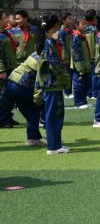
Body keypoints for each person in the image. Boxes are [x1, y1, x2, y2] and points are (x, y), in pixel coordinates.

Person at [36, 14, 71, 154]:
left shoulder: (46, 40)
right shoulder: (49, 42)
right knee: (54, 115)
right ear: (55, 25)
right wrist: (65, 78)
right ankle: (54, 146)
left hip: (50, 83)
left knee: (54, 115)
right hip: (53, 83)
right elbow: (55, 64)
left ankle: (55, 144)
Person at [6, 50, 44, 146]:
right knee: (35, 110)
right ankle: (35, 138)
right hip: (22, 85)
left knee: (30, 113)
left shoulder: (36, 53)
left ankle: (34, 137)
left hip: (11, 82)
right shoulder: (47, 55)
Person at [0, 11, 20, 128]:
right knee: (3, 95)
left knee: (9, 95)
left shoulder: (5, 33)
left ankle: (8, 117)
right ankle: (3, 119)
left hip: (11, 67)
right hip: (4, 69)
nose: (7, 19)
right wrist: (1, 70)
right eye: (5, 17)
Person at [70, 18, 91, 109]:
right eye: (82, 24)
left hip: (84, 64)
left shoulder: (81, 35)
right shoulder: (76, 36)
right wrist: (80, 68)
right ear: (77, 26)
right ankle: (78, 103)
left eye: (85, 24)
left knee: (83, 84)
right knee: (78, 84)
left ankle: (83, 101)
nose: (84, 26)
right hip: (79, 66)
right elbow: (76, 53)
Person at [57, 13, 75, 99]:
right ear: (63, 21)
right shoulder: (62, 31)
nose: (71, 20)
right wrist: (64, 58)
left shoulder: (70, 30)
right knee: (67, 75)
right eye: (69, 19)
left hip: (72, 56)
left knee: (71, 75)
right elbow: (62, 45)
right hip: (67, 57)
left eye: (71, 18)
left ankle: (69, 91)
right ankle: (67, 92)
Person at [82, 9, 98, 99]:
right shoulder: (95, 29)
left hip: (85, 55)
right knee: (94, 75)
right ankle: (94, 93)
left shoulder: (82, 28)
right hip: (94, 55)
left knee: (87, 75)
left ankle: (88, 93)